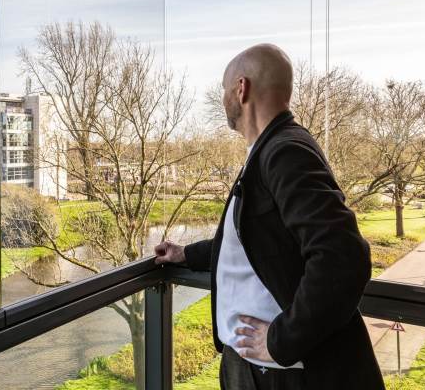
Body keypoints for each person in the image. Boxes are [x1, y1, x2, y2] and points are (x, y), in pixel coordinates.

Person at [154, 44, 385, 390]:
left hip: (280, 372)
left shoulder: (285, 151)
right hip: (258, 365)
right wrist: (186, 254)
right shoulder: (269, 149)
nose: (223, 98)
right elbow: (255, 241)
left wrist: (280, 341)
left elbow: (344, 257)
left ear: (241, 88)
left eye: (223, 88)